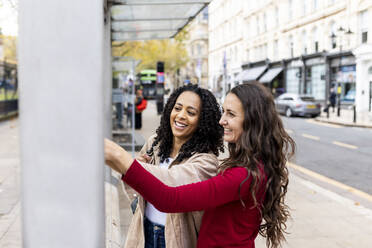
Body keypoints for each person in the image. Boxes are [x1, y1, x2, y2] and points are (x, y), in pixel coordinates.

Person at [105, 82, 295, 248]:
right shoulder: (248, 167)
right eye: (223, 112)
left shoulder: (241, 175)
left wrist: (119, 157)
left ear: (252, 120)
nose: (222, 121)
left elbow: (168, 199)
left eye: (230, 114)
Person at [121, 84, 224, 247]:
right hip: (142, 233)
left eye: (191, 113)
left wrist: (127, 163)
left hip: (173, 240)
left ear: (202, 121)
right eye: (178, 108)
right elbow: (133, 185)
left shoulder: (206, 161)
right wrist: (136, 197)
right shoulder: (155, 143)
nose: (181, 116)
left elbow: (170, 183)